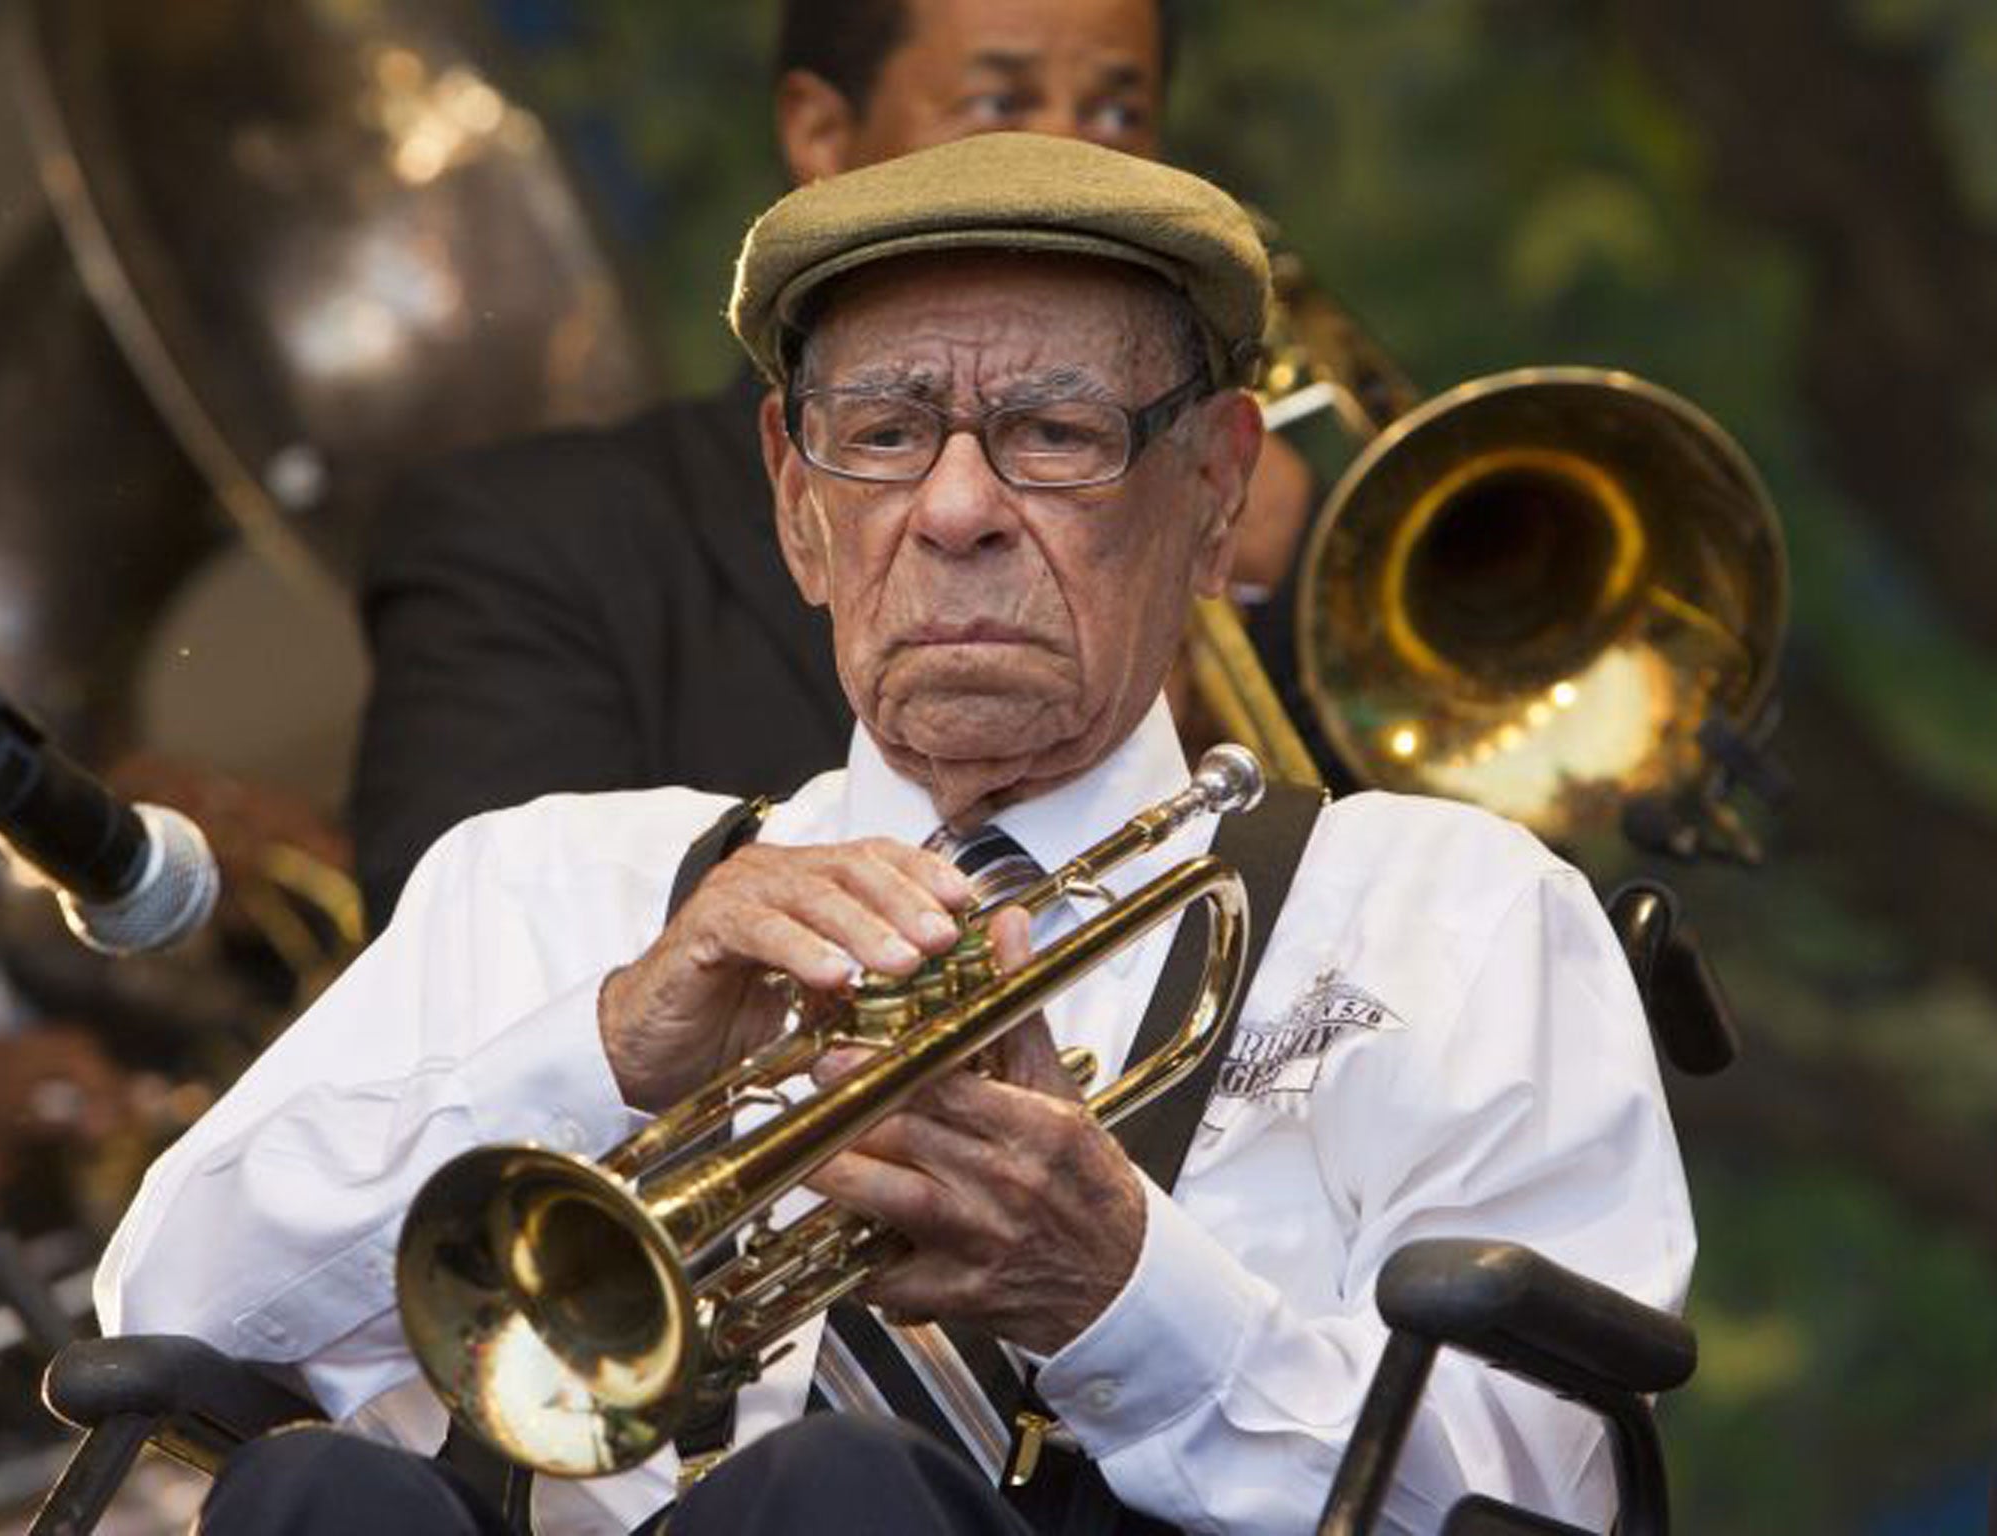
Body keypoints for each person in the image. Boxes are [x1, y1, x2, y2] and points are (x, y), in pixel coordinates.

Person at [97, 135, 1692, 1536]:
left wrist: (1128, 1296)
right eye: (882, 433)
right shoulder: (540, 881)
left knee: (830, 1491)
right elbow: (165, 1318)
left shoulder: (1453, 909)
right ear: (797, 502)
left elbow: (1532, 1494)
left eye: (1056, 433)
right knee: (314, 1494)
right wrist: (597, 1051)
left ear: (1215, 490)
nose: (953, 510)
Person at [348, 0, 1314, 931]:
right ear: (818, 131)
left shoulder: (1222, 530)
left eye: (1118, 111)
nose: (1067, 150)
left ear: (1215, 487)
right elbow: (471, 976)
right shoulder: (523, 539)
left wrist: (1180, 583)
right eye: (998, 102)